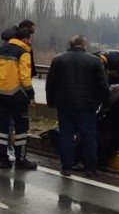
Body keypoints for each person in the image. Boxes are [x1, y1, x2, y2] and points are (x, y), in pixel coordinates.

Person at [46, 35, 109, 177]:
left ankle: (66, 167)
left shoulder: (58, 60)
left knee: (66, 136)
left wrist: (50, 101)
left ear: (70, 44)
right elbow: (103, 85)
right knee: (89, 137)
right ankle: (90, 168)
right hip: (88, 105)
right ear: (84, 44)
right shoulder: (94, 61)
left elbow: (50, 83)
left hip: (65, 104)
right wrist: (105, 103)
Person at [0, 27, 37, 170]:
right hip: (17, 96)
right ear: (25, 39)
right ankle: (21, 160)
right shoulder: (24, 52)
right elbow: (24, 78)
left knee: (2, 127)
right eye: (30, 39)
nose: (30, 41)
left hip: (0, 94)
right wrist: (31, 96)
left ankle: (4, 159)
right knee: (21, 128)